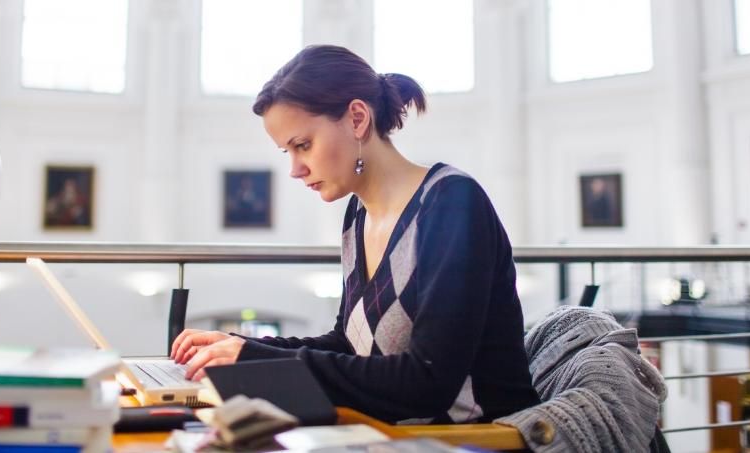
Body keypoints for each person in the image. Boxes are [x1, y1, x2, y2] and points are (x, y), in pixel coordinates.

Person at [171, 45, 540, 424]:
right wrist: (239, 347)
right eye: (288, 152)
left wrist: (253, 359)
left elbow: (428, 382)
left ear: (358, 118)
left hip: (481, 439)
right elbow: (348, 345)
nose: (296, 169)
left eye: (303, 145)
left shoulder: (452, 203)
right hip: (396, 436)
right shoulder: (358, 215)